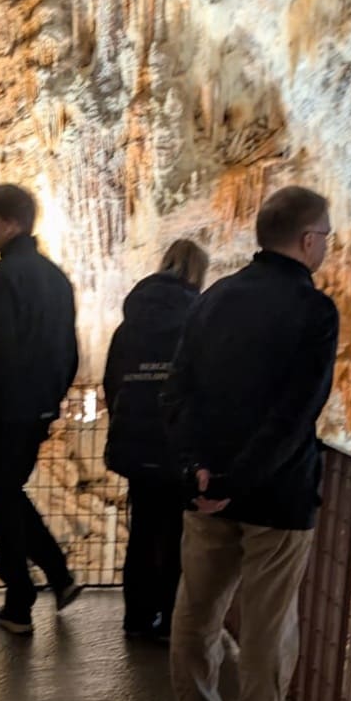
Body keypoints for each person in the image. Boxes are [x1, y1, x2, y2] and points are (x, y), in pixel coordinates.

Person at [163, 186, 339, 701]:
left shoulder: (213, 297)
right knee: (267, 626)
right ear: (308, 240)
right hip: (277, 496)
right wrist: (241, 479)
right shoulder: (314, 310)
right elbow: (296, 413)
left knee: (197, 609)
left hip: (206, 489)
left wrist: (195, 467)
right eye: (326, 237)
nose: (326, 246)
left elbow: (178, 392)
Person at [0, 183, 83, 635]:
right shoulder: (56, 277)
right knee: (8, 490)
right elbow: (68, 351)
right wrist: (52, 398)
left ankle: (20, 601)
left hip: (8, 405)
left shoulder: (5, 275)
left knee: (2, 495)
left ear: (12, 223)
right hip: (39, 407)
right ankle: (56, 574)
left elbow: (0, 346)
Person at [103, 239, 209, 641]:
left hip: (136, 442)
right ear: (197, 273)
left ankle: (136, 617)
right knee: (178, 532)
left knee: (143, 529)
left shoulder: (129, 325)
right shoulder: (196, 321)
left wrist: (126, 423)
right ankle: (168, 619)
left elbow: (112, 382)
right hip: (175, 443)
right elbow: (201, 385)